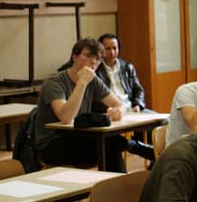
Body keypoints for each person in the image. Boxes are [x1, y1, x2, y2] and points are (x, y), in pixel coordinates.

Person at [34, 37, 129, 173]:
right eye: (88, 56)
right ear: (75, 57)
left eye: (97, 58)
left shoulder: (93, 79)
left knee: (111, 144)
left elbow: (118, 103)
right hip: (51, 143)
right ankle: (116, 186)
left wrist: (120, 111)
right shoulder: (54, 82)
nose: (93, 62)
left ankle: (114, 189)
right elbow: (66, 117)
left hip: (78, 136)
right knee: (110, 144)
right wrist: (82, 83)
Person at [96, 33, 155, 160]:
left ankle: (156, 159)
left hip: (131, 109)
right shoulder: (96, 70)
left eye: (115, 48)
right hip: (112, 112)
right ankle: (137, 148)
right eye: (108, 48)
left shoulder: (127, 67)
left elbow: (138, 90)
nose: (112, 52)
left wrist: (138, 105)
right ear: (100, 50)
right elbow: (96, 97)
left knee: (160, 123)